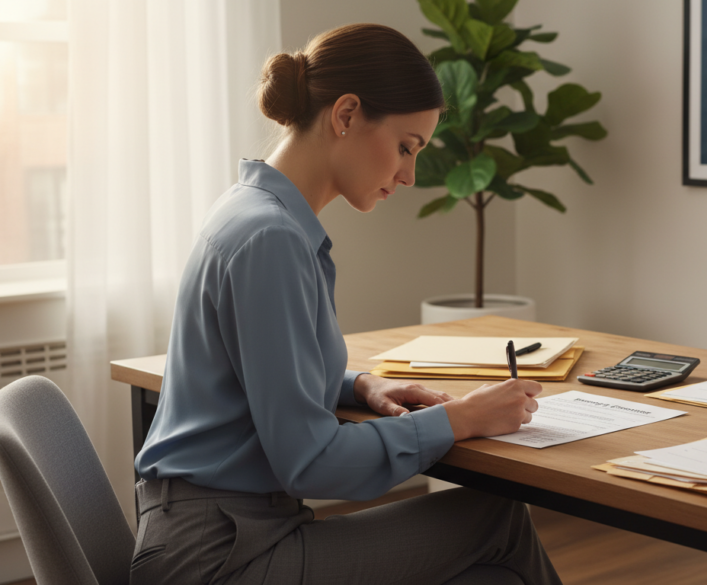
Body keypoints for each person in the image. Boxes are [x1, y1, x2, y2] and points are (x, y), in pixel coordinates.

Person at [131, 23, 562, 585]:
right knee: (497, 521)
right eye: (406, 147)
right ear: (346, 114)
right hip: (218, 557)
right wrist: (458, 418)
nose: (409, 175)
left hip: (218, 531)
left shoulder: (254, 212)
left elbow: (262, 374)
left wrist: (360, 386)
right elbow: (310, 461)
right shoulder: (272, 239)